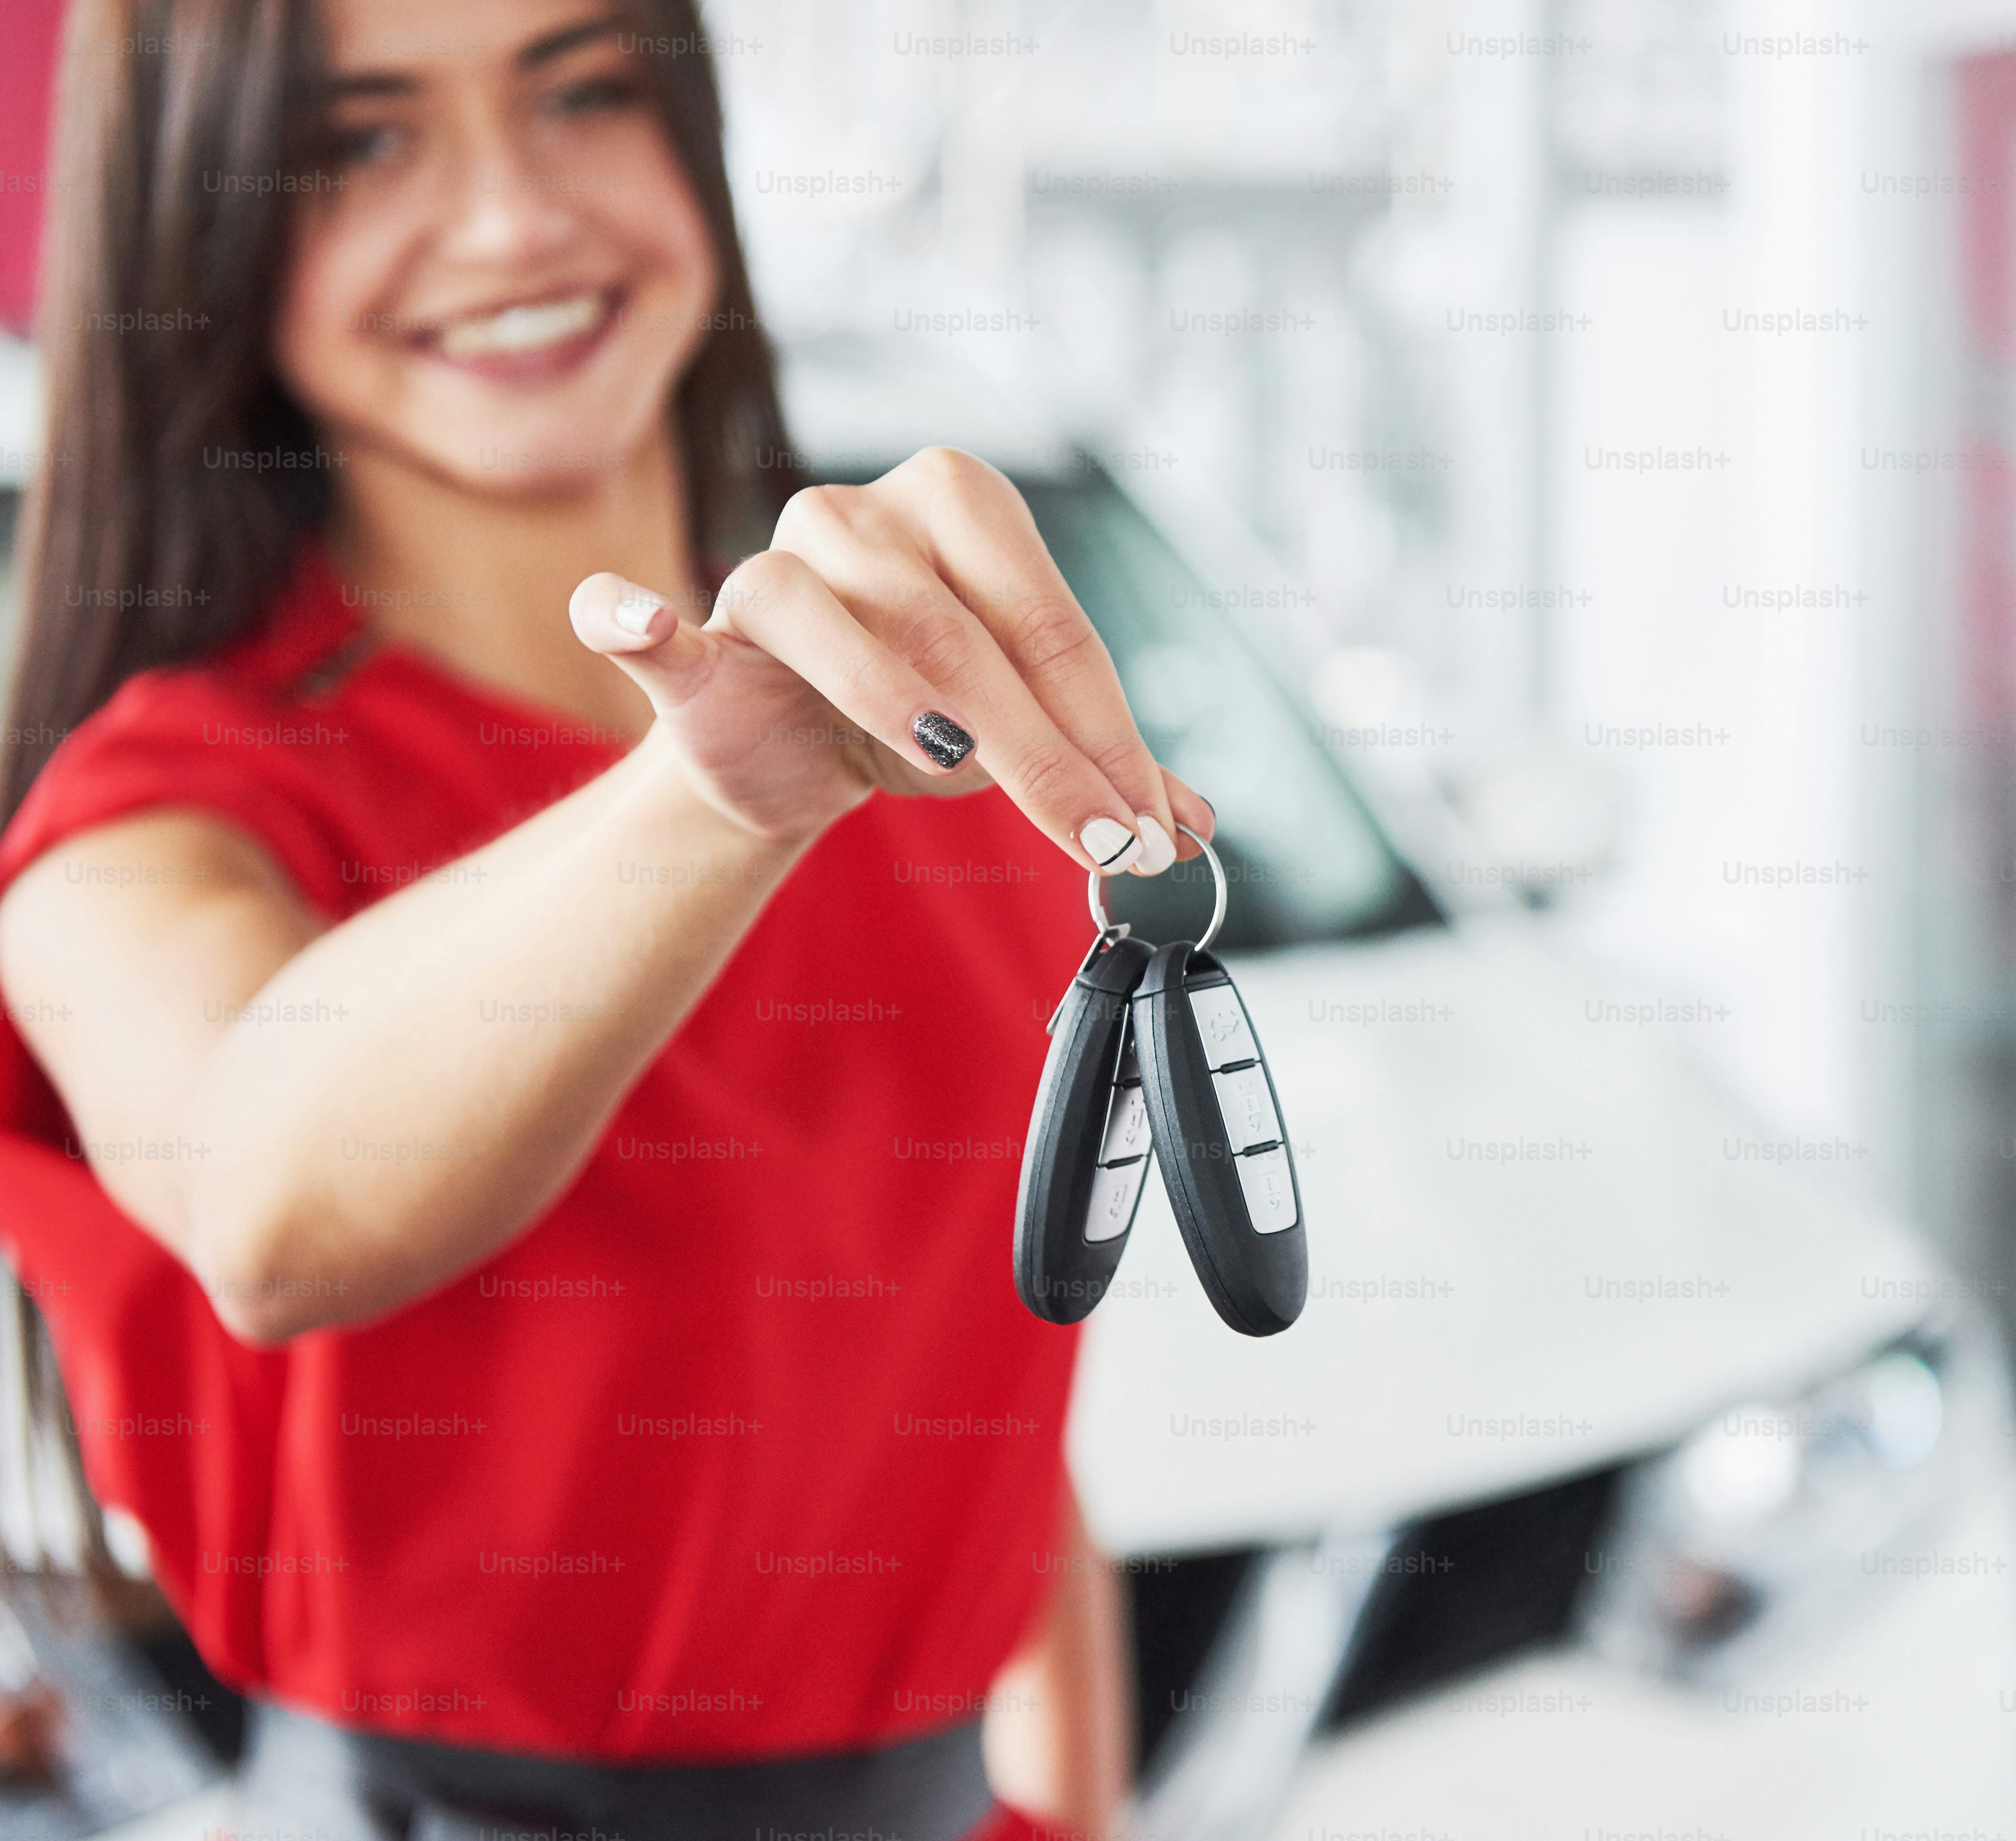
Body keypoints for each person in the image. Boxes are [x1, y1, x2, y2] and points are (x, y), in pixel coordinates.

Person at [0, 0, 1200, 1832]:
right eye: (362, 141)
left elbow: (972, 1396)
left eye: (583, 92)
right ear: (204, 226)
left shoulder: (911, 737)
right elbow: (270, 1202)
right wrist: (714, 799)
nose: (512, 217)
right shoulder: (149, 822)